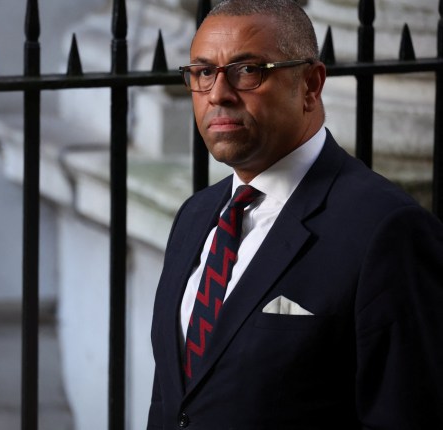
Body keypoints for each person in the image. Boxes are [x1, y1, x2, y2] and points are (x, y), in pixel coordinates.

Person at [147, 0, 443, 428]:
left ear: (310, 84)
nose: (217, 93)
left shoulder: (387, 230)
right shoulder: (195, 215)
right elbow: (174, 401)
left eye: (248, 70)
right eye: (204, 72)